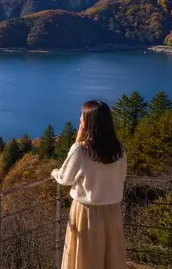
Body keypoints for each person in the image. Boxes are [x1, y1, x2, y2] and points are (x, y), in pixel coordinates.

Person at [51, 100, 127, 269]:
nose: (79, 118)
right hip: (112, 211)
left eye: (82, 115)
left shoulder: (81, 150)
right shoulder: (119, 149)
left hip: (86, 212)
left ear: (89, 121)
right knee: (111, 259)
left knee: (85, 259)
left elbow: (65, 178)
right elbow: (121, 177)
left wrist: (54, 172)